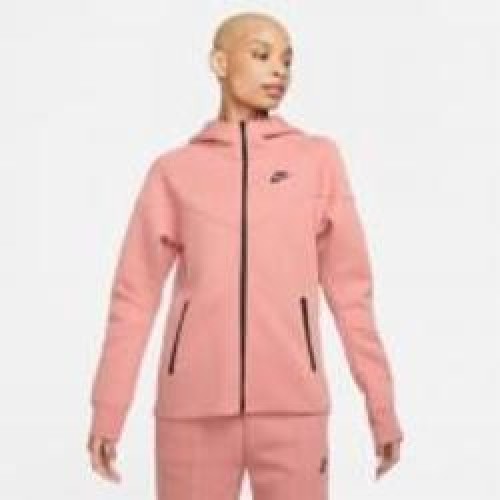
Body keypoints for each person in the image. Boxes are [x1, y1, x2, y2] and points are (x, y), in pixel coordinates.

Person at [86, 10, 404, 499]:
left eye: (287, 60)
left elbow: (351, 294)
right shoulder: (174, 172)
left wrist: (381, 406)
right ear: (219, 62)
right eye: (261, 55)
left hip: (293, 408)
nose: (279, 70)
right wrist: (108, 409)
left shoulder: (317, 160)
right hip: (192, 411)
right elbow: (134, 297)